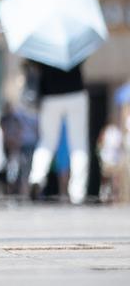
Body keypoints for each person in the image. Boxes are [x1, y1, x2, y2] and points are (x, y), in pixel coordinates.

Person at [28, 60, 89, 204]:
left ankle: (37, 177)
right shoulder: (74, 45)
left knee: (47, 141)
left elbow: (33, 64)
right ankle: (78, 192)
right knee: (78, 144)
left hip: (50, 95)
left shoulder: (44, 48)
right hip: (75, 93)